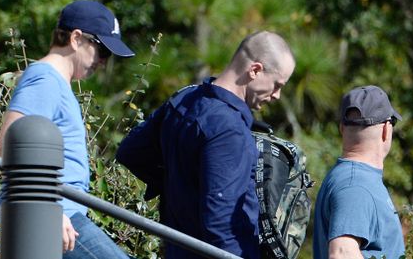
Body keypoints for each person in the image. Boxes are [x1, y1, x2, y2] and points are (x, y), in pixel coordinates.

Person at [116, 31, 295, 259]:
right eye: (277, 84)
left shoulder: (185, 97)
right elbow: (222, 224)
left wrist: (180, 186)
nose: (277, 95)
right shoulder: (229, 129)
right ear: (255, 70)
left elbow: (130, 152)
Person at [0, 0, 135, 259]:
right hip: (52, 214)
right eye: (102, 50)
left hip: (60, 214)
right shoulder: (45, 79)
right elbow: (7, 147)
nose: (103, 62)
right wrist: (47, 209)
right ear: (76, 38)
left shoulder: (55, 82)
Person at [313, 85, 405, 259]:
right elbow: (341, 253)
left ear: (341, 128)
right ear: (386, 129)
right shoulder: (356, 185)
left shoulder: (346, 176)